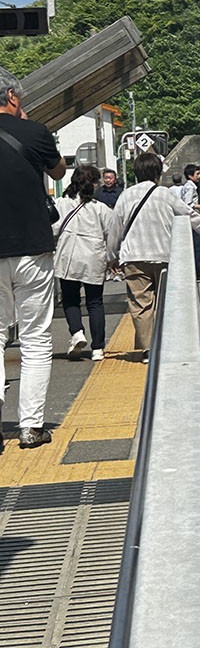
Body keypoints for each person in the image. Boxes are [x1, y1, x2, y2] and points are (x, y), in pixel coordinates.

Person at [113, 152, 200, 362]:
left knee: (141, 306)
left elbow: (115, 229)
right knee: (167, 303)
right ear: (158, 173)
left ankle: (148, 350)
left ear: (137, 173)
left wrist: (112, 256)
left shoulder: (126, 196)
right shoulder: (165, 194)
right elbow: (191, 216)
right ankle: (166, 345)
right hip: (164, 256)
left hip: (133, 258)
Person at [0, 69, 67, 450]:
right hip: (32, 250)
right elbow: (58, 169)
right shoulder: (35, 132)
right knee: (36, 338)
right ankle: (31, 427)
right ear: (12, 96)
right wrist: (27, 125)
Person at [53, 165, 120, 362]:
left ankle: (77, 333)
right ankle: (97, 348)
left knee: (70, 299)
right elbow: (112, 234)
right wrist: (112, 258)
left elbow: (54, 228)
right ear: (94, 184)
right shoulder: (100, 208)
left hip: (68, 256)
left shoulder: (61, 203)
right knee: (95, 302)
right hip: (94, 257)